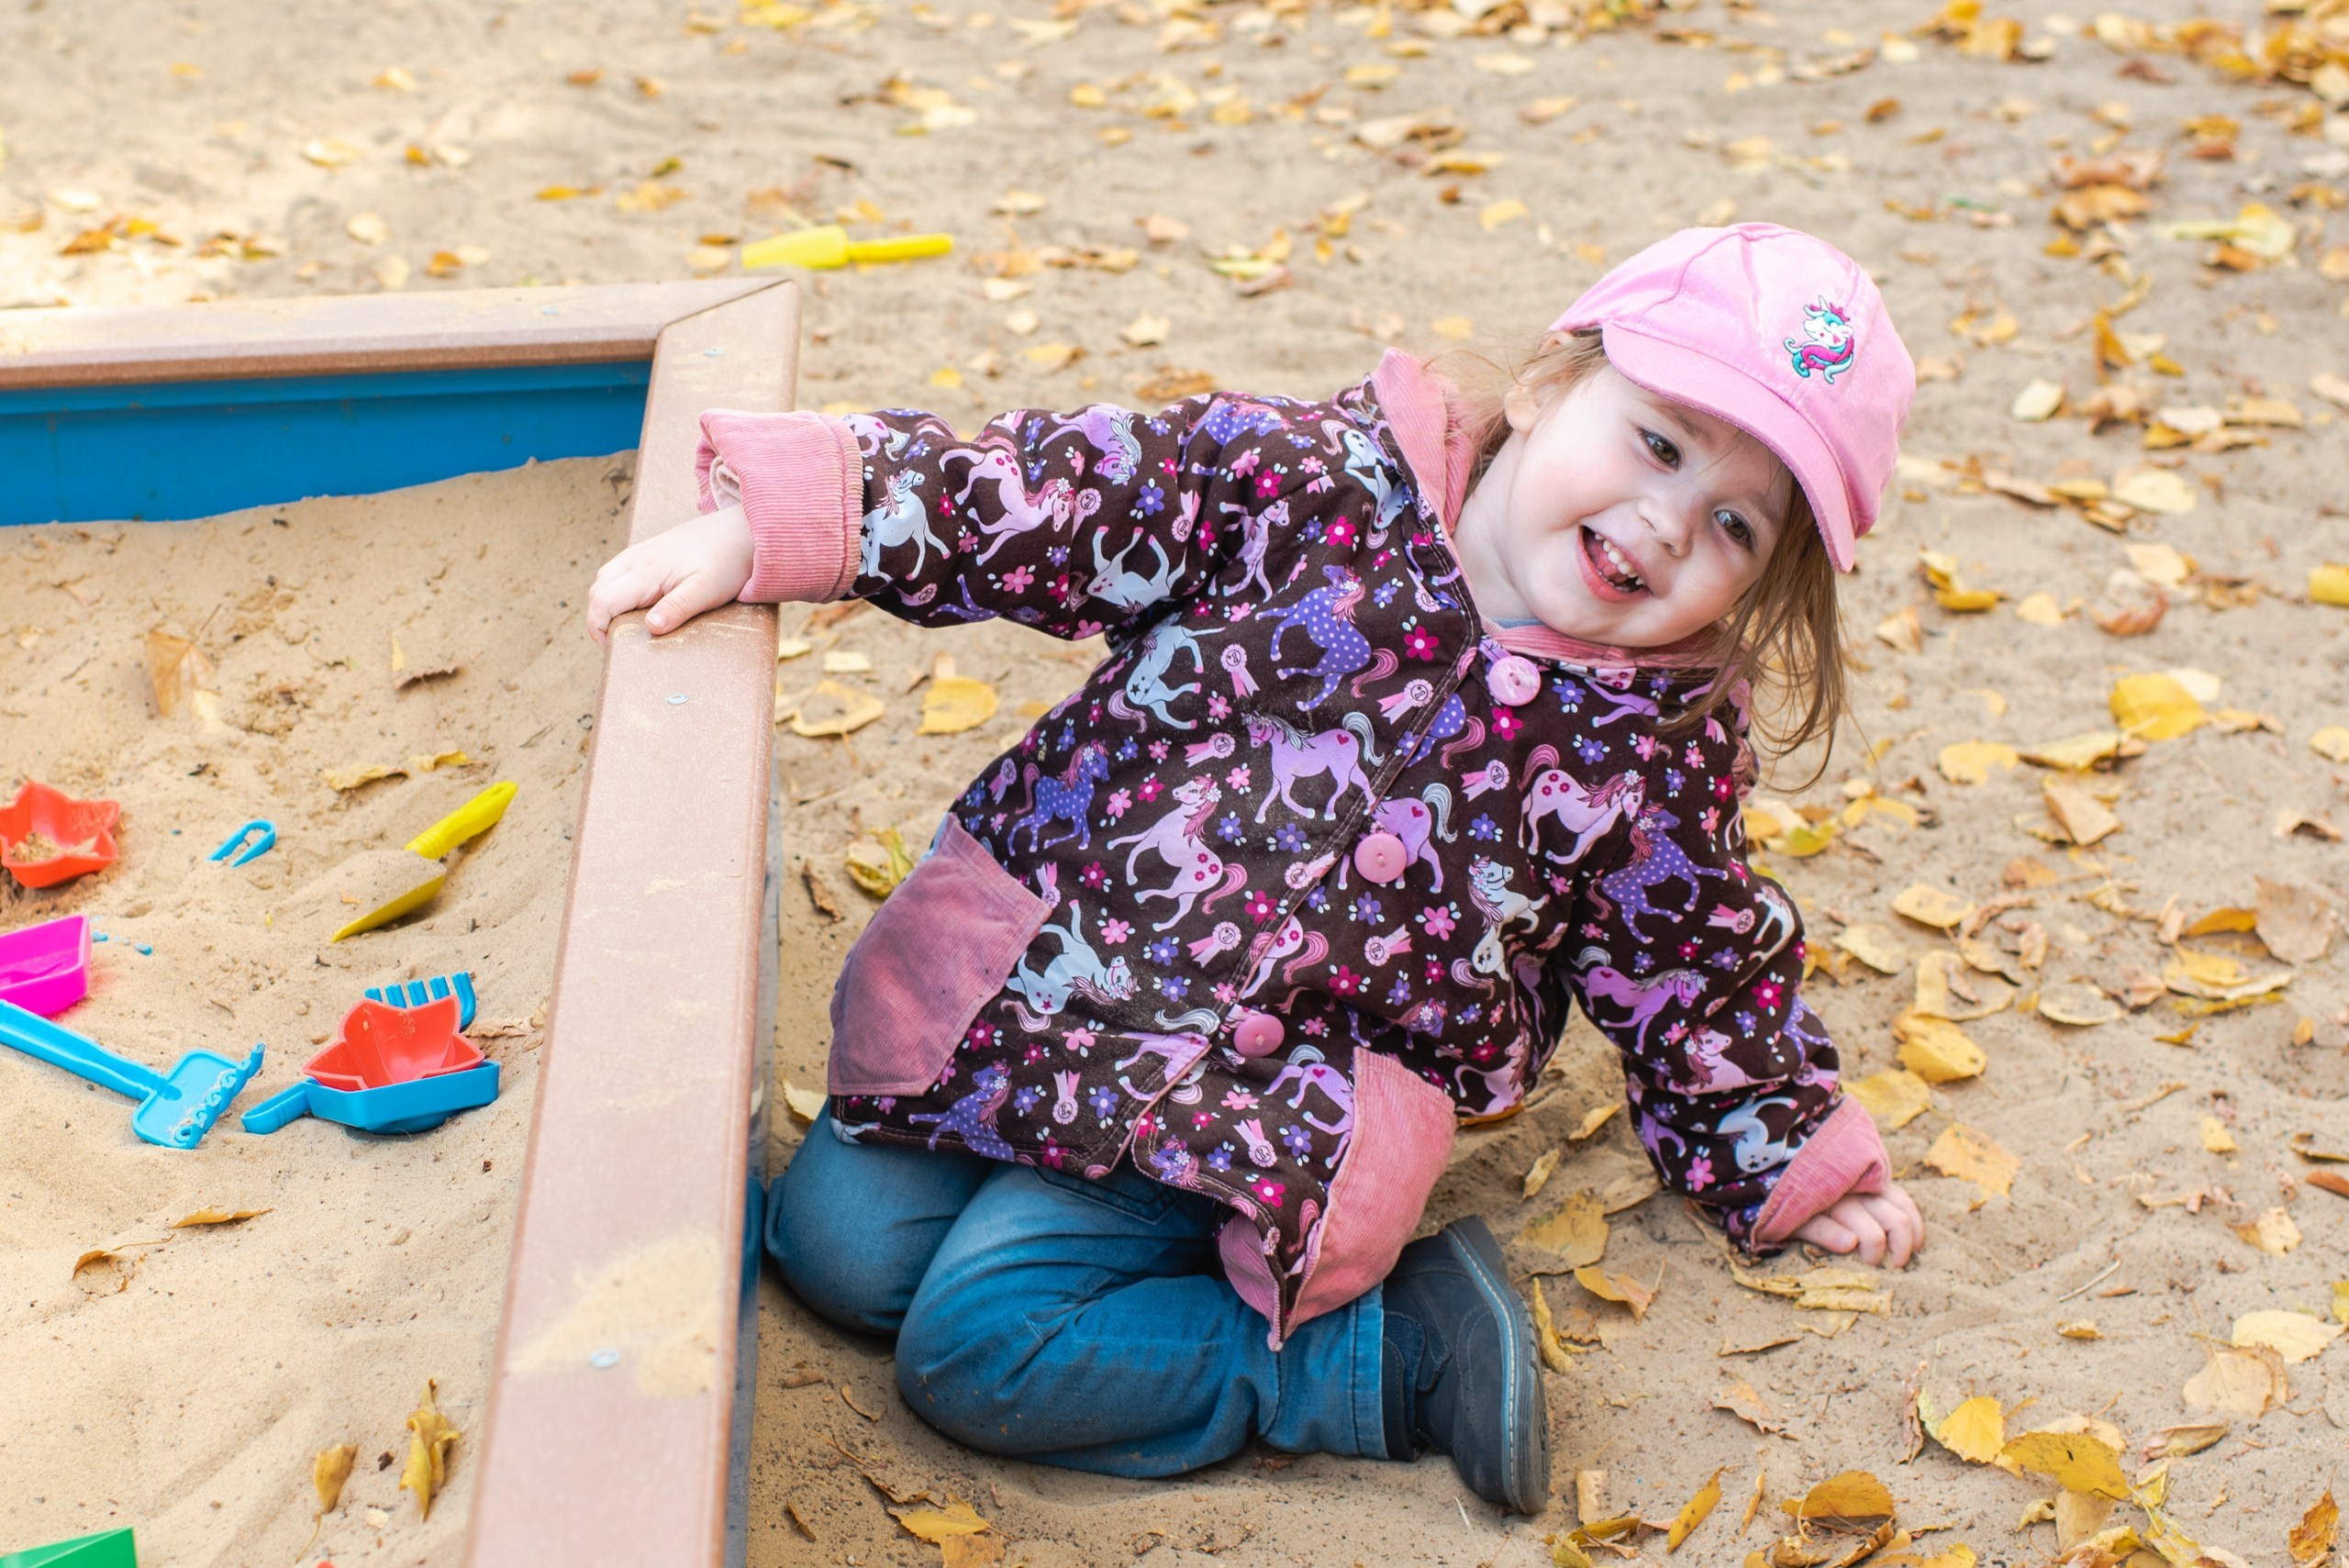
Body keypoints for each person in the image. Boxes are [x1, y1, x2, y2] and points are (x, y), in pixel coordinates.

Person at [584, 223, 1926, 1514]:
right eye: (1657, 441)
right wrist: (791, 522)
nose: (1670, 520)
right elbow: (1056, 493)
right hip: (1049, 992)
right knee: (833, 1248)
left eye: (1738, 526)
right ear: (1549, 382)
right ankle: (1058, 1243)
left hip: (1260, 1118)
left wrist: (1786, 1153)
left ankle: (1387, 1359)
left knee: (980, 1349)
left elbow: (1693, 967)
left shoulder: (1654, 744)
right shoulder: (1311, 481)